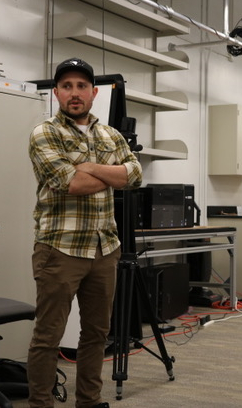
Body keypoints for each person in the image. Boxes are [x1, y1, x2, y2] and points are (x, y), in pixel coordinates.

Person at [27, 57, 142, 408]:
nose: (74, 93)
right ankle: (40, 404)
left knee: (96, 334)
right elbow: (72, 183)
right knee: (49, 336)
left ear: (93, 93)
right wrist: (109, 172)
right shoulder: (45, 133)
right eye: (66, 86)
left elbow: (135, 175)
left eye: (81, 86)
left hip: (104, 248)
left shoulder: (111, 134)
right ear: (57, 93)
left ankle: (89, 402)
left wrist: (90, 165)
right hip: (60, 249)